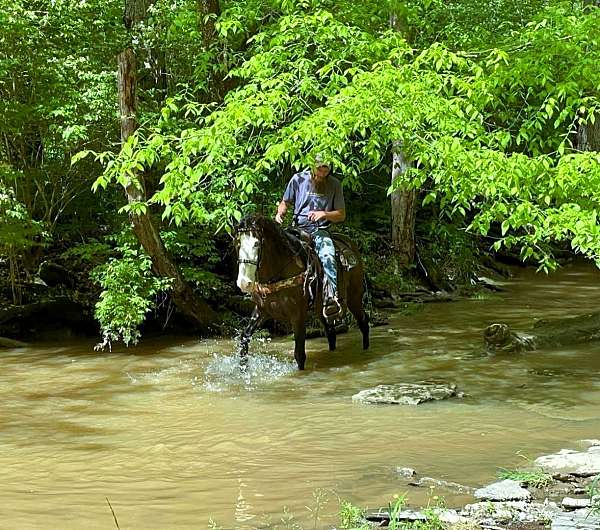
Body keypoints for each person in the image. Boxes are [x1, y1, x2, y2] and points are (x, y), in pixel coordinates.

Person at [275, 158, 345, 319]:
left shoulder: (334, 184)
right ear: (313, 166)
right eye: (320, 169)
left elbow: (341, 214)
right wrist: (280, 213)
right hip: (297, 229)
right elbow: (285, 202)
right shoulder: (298, 179)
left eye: (326, 170)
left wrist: (324, 214)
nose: (323, 173)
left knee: (328, 255)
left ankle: (331, 297)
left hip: (319, 230)